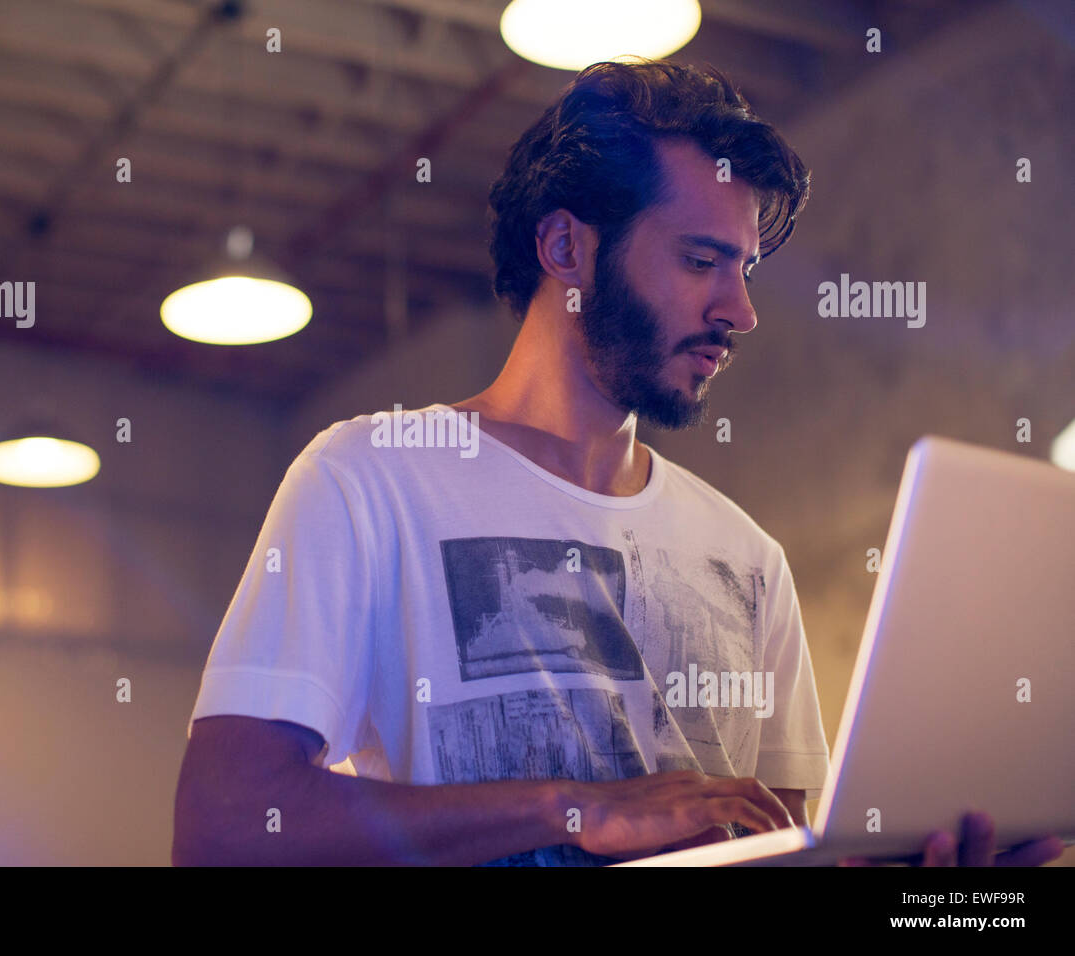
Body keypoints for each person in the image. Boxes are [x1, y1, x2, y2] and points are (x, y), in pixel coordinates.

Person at [172, 58, 1064, 868]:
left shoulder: (750, 560)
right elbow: (225, 826)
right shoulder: (368, 479)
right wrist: (574, 810)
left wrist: (951, 901)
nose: (741, 311)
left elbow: (785, 850)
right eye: (701, 260)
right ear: (567, 250)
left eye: (746, 268)